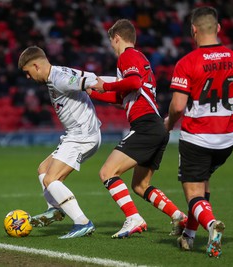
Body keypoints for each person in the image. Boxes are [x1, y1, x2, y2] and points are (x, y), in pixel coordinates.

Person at [165, 6, 233, 257]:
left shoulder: (187, 62)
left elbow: (178, 106)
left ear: (193, 30)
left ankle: (211, 225)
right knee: (203, 184)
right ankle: (189, 235)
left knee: (192, 193)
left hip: (197, 138)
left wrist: (168, 123)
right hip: (226, 141)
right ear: (218, 28)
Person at [90, 19, 187, 239]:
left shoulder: (128, 56)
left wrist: (104, 84)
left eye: (112, 43)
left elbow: (132, 83)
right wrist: (91, 93)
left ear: (117, 38)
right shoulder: (141, 59)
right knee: (141, 185)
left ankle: (133, 217)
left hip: (145, 126)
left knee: (107, 172)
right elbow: (120, 95)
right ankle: (179, 217)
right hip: (156, 127)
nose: (112, 48)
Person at [17, 46, 102, 239]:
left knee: (51, 179)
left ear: (36, 66)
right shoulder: (58, 72)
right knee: (43, 170)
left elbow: (91, 80)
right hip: (74, 134)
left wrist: (108, 87)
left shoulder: (59, 79)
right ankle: (55, 209)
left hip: (83, 135)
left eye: (27, 72)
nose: (28, 77)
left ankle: (82, 222)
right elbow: (88, 75)